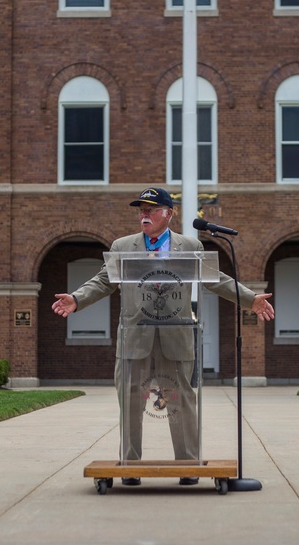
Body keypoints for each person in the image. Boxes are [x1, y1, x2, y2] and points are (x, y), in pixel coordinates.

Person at [51, 187, 274, 485]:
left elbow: (215, 280)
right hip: (134, 338)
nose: (144, 214)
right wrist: (77, 299)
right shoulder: (122, 246)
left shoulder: (190, 245)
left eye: (151, 209)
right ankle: (130, 466)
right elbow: (104, 280)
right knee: (130, 402)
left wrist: (250, 299)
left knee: (182, 402)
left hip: (177, 338)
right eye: (141, 209)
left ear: (168, 214)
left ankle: (188, 466)